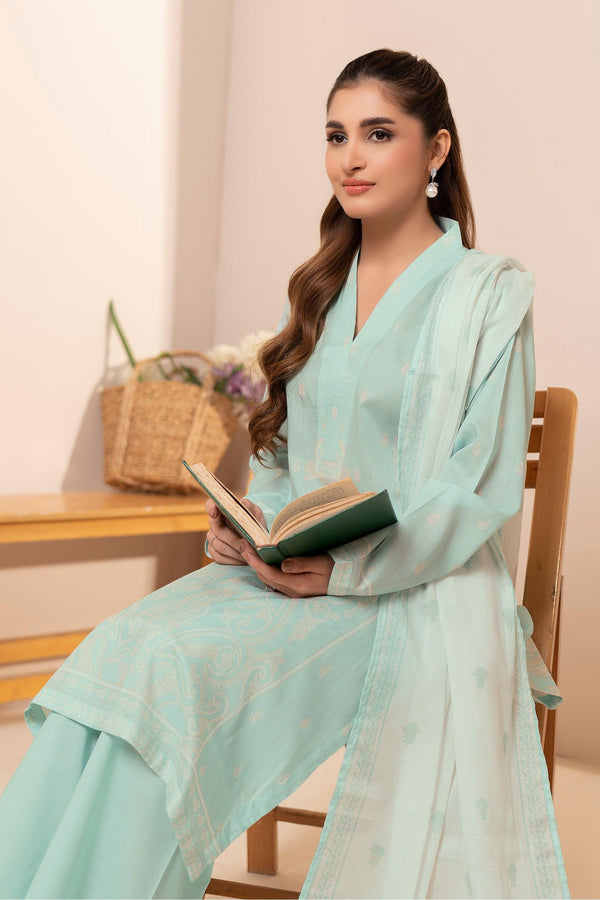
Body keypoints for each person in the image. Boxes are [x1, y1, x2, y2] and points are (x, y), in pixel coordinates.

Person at [0, 49, 568, 900]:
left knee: (177, 675)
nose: (351, 158)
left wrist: (346, 572)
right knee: (123, 649)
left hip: (408, 589)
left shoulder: (489, 294)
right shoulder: (318, 289)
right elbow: (281, 458)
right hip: (284, 574)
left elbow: (475, 484)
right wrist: (250, 524)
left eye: (378, 134)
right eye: (336, 136)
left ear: (437, 148)